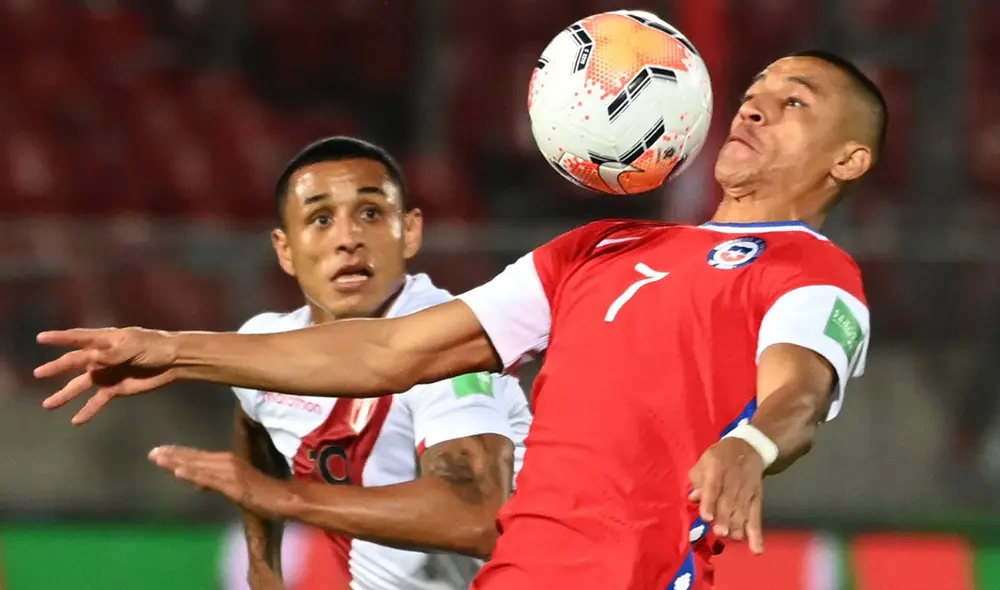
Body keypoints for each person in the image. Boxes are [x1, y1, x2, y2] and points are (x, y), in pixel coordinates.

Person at [35, 50, 885, 590]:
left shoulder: (811, 272)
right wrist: (175, 351)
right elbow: (392, 348)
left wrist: (752, 444)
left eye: (796, 101)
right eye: (756, 91)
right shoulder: (601, 246)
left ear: (849, 158)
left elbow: (799, 390)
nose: (755, 105)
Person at [154, 137, 534, 590]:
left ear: (410, 232)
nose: (348, 239)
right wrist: (263, 564)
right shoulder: (266, 346)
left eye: (371, 214)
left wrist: (281, 498)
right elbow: (254, 430)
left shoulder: (452, 346)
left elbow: (478, 517)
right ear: (286, 250)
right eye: (320, 218)